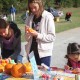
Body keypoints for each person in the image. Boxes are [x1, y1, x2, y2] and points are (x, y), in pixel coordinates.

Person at [24, 0, 56, 67]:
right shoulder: (29, 18)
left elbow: (52, 37)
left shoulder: (48, 17)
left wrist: (37, 35)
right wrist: (27, 33)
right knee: (33, 75)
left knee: (44, 75)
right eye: (31, 8)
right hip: (31, 52)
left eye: (35, 7)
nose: (33, 10)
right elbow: (27, 39)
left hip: (43, 54)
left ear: (40, 5)